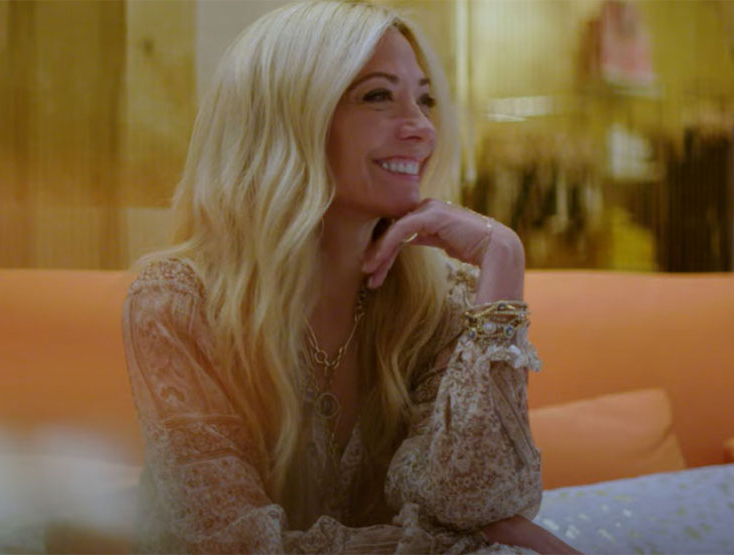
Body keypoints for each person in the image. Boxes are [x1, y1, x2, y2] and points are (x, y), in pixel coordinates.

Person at [122, 1, 581, 553]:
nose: (421, 129)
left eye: (425, 99)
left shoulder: (448, 298)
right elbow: (233, 544)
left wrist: (503, 257)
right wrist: (441, 544)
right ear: (287, 118)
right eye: (378, 96)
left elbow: (477, 503)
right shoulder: (177, 301)